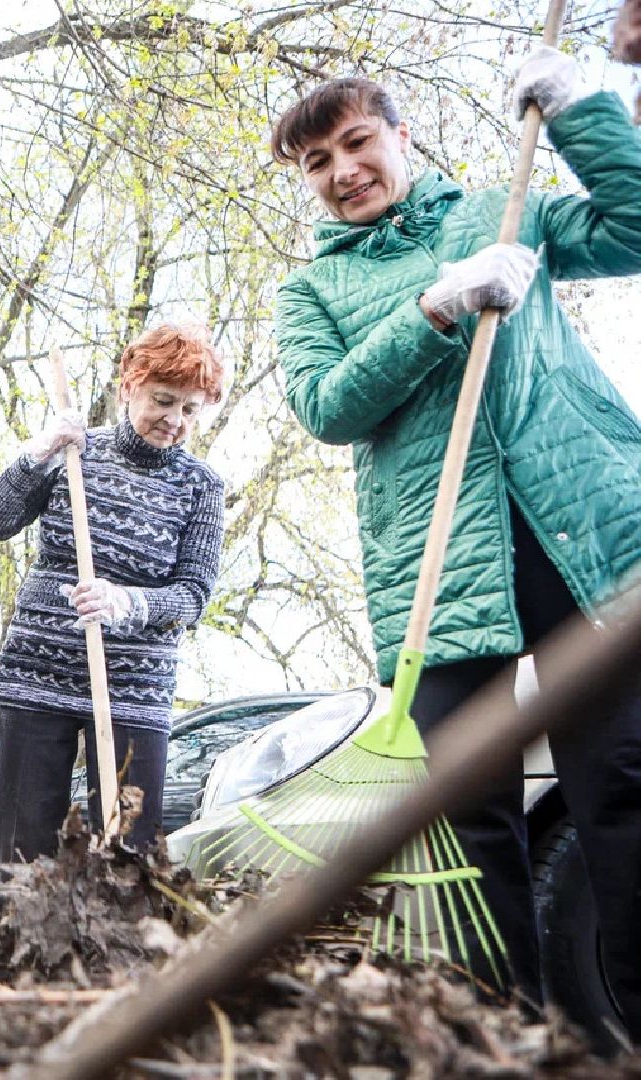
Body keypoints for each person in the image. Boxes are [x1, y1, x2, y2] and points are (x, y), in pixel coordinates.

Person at [269, 56, 641, 1036]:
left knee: (622, 786)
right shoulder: (310, 292)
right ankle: (507, 1041)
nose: (343, 170)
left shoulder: (499, 212)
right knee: (467, 816)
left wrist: (581, 114)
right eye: (316, 160)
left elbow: (635, 229)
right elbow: (326, 404)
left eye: (356, 142)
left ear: (400, 135)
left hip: (583, 544)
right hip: (440, 569)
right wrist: (435, 306)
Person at [0, 325, 226, 858]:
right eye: (163, 400)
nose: (175, 421)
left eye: (190, 409)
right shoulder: (74, 455)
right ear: (128, 386)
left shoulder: (201, 487)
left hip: (135, 687)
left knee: (128, 853)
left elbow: (193, 596)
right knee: (25, 855)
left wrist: (129, 603)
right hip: (38, 674)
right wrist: (37, 453)